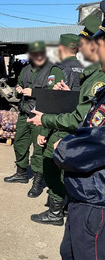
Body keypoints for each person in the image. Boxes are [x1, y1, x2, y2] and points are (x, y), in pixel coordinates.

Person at [27, 17, 105, 260]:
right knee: (75, 247)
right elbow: (84, 110)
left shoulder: (97, 77)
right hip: (86, 168)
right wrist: (68, 96)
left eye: (89, 43)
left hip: (94, 179)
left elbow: (86, 122)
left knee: (88, 251)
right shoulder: (87, 75)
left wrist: (47, 121)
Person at [45, 21, 105, 260]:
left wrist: (58, 146)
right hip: (84, 192)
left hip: (97, 195)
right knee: (74, 255)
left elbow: (84, 145)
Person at [28, 34, 83, 226]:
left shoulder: (58, 70)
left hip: (59, 127)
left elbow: (52, 102)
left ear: (62, 47)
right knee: (70, 169)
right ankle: (67, 205)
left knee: (51, 167)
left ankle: (55, 212)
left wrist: (44, 128)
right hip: (78, 125)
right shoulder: (86, 70)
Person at [4, 41, 64, 198]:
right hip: (24, 114)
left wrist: (35, 92)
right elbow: (18, 86)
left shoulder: (53, 71)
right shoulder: (25, 70)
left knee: (39, 150)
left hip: (40, 115)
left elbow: (56, 96)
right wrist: (18, 90)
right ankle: (21, 172)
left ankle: (37, 181)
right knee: (19, 143)